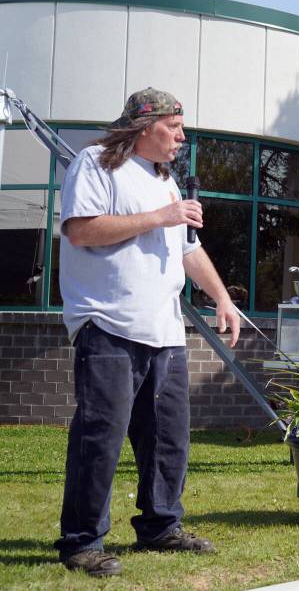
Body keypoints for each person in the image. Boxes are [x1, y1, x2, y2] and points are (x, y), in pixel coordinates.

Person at [55, 88, 241, 577]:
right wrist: (160, 216)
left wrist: (221, 297)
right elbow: (81, 231)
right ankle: (81, 542)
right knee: (101, 438)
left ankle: (160, 526)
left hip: (165, 330)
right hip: (108, 325)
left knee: (167, 439)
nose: (182, 136)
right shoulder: (94, 164)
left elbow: (187, 250)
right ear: (144, 126)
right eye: (174, 126)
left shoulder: (167, 181)